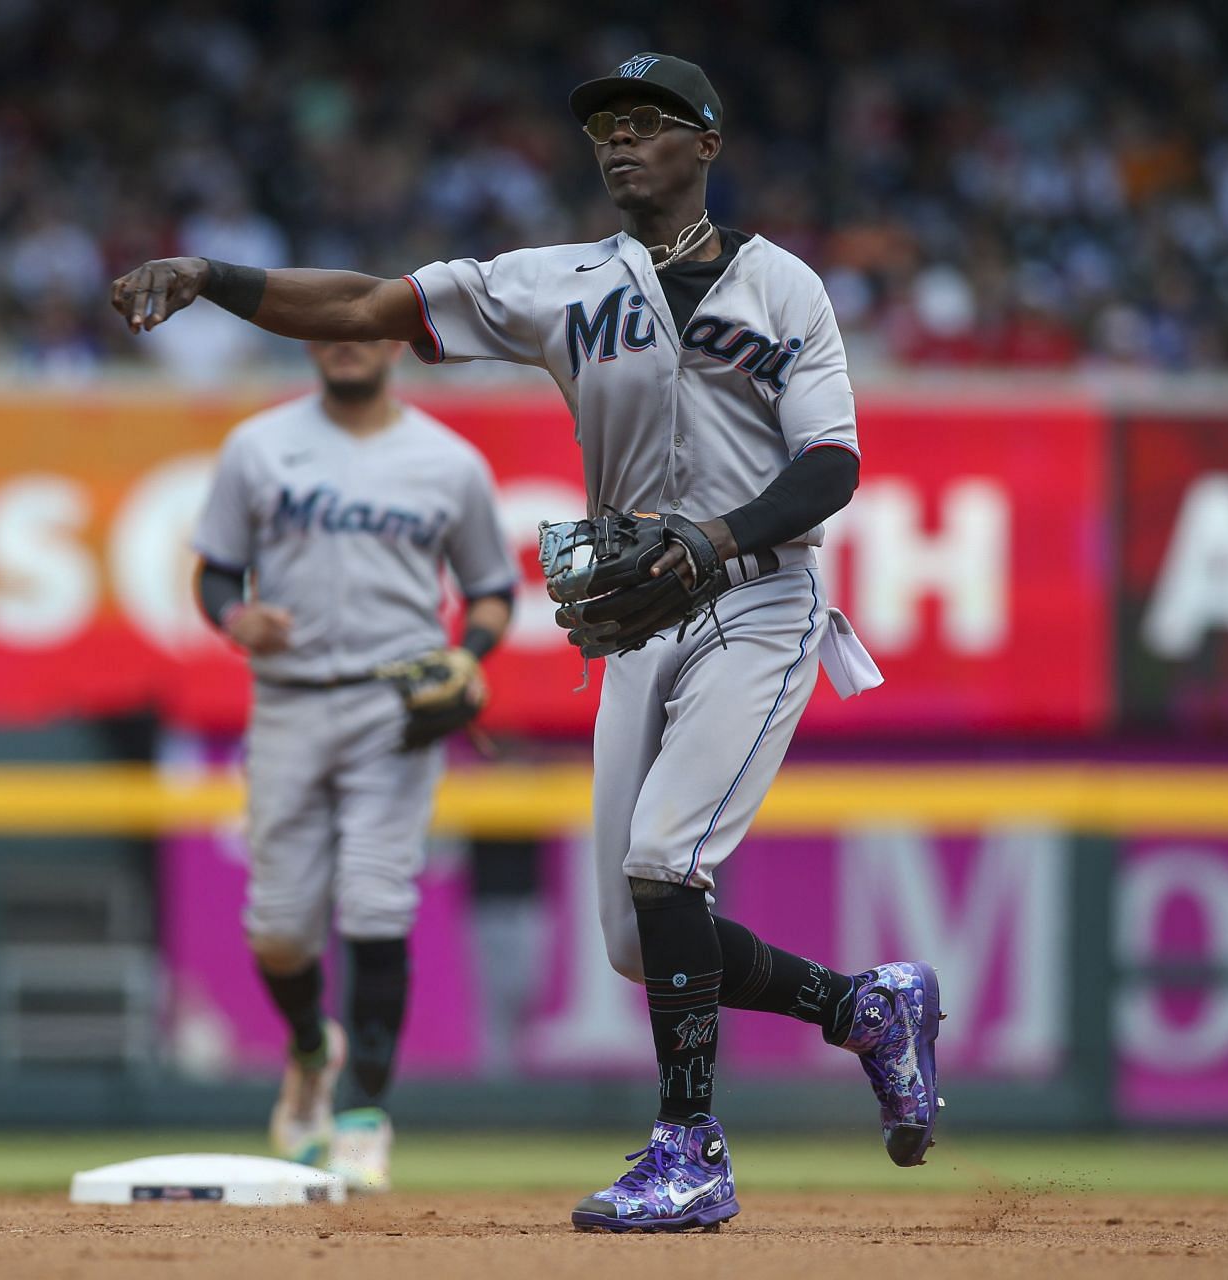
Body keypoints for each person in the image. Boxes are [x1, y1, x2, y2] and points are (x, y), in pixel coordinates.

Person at [118, 53, 940, 1231]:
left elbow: (832, 465)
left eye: (648, 123)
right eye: (605, 124)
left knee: (664, 863)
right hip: (642, 615)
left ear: (707, 143)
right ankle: (865, 1004)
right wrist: (212, 277)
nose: (618, 142)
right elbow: (365, 306)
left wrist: (714, 536)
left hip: (760, 594)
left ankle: (689, 1147)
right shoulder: (556, 282)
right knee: (633, 935)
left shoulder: (786, 288)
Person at [190, 337, 518, 1192]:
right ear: (308, 343)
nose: (345, 341)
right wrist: (235, 621)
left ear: (394, 341)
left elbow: (493, 587)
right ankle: (311, 1049)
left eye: (364, 324)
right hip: (289, 700)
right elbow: (217, 574)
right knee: (279, 927)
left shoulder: (448, 462)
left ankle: (364, 1114)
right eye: (329, 326)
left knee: (378, 900)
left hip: (393, 704)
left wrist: (470, 650)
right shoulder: (259, 446)